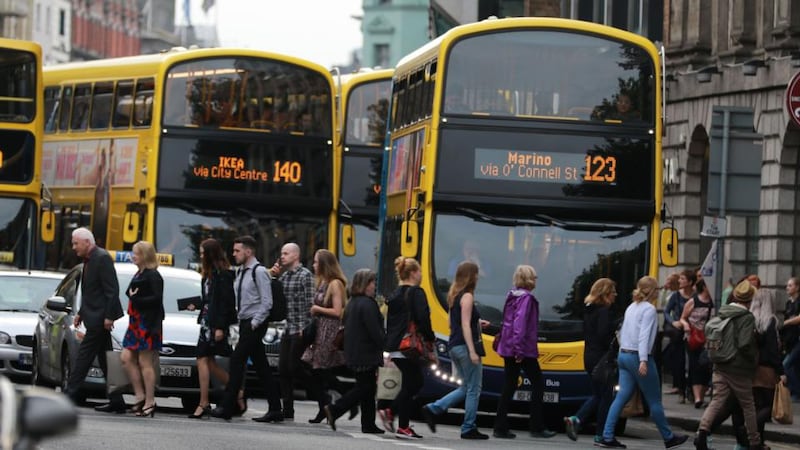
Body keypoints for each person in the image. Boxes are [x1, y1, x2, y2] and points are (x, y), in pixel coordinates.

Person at [598, 276, 689, 449]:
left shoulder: (631, 307)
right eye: (657, 290)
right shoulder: (649, 310)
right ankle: (669, 438)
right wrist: (644, 360)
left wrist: (622, 353)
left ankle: (607, 436)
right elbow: (644, 336)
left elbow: (623, 331)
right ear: (652, 291)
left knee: (620, 398)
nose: (659, 292)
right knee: (654, 399)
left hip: (624, 355)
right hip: (637, 356)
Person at [211, 235, 282, 421]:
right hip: (245, 323)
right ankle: (276, 408)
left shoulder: (258, 272)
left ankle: (227, 407)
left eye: (237, 251)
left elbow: (267, 302)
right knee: (261, 366)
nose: (233, 254)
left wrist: (254, 323)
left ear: (248, 251)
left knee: (237, 361)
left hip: (254, 322)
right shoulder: (241, 271)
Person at [421, 261, 491, 440]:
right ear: (471, 276)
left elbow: (453, 323)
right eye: (476, 274)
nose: (478, 277)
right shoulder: (467, 296)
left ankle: (434, 408)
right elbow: (465, 325)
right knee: (474, 389)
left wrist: (477, 323)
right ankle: (468, 427)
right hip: (465, 347)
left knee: (465, 387)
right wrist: (472, 351)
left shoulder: (454, 296)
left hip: (454, 345)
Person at [694, 280, 763, 450]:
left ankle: (702, 433)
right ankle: (754, 442)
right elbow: (745, 343)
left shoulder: (723, 312)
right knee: (748, 405)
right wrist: (754, 359)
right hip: (739, 367)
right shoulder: (746, 317)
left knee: (717, 401)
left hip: (720, 364)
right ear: (749, 299)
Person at [64, 227, 126, 413]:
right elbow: (92, 292)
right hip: (93, 316)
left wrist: (109, 316)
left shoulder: (102, 258)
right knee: (106, 359)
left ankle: (69, 395)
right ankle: (117, 401)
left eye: (76, 243)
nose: (73, 247)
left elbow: (111, 290)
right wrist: (81, 312)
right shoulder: (89, 260)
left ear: (87, 242)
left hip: (100, 319)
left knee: (83, 357)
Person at [493, 265, 556, 439]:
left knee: (509, 385)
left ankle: (500, 426)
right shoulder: (527, 298)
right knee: (538, 383)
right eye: (534, 277)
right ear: (529, 279)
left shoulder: (511, 295)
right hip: (522, 349)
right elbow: (520, 325)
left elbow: (508, 321)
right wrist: (519, 351)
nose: (536, 280)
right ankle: (536, 426)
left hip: (507, 346)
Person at [324, 269, 385, 434]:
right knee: (364, 388)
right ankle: (335, 409)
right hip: (366, 353)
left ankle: (368, 424)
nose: (374, 286)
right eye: (372, 282)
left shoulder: (352, 302)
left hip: (354, 352)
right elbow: (375, 331)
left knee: (368, 388)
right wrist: (385, 344)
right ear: (365, 284)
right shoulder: (368, 304)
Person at [379, 257, 435, 438]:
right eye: (419, 271)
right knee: (415, 383)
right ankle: (390, 412)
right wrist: (430, 337)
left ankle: (403, 426)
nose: (420, 275)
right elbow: (422, 318)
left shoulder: (394, 294)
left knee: (409, 384)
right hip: (410, 345)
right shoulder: (417, 292)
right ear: (412, 273)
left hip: (395, 346)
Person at [262, 243, 314, 422]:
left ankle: (323, 397)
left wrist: (304, 327)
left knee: (294, 367)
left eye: (285, 253)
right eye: (281, 253)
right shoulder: (284, 277)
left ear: (295, 255)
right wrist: (273, 277)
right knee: (283, 369)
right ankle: (288, 409)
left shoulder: (305, 275)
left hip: (300, 328)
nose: (282, 256)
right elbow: (275, 297)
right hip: (287, 327)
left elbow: (310, 304)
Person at [187, 238, 236, 419]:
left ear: (209, 254)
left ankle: (205, 401)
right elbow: (210, 299)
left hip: (215, 324)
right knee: (208, 362)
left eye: (202, 253)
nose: (200, 256)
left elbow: (225, 303)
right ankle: (235, 391)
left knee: (203, 360)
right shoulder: (208, 274)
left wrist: (221, 327)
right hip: (207, 322)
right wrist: (196, 304)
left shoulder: (223, 274)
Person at [564, 278, 618, 443]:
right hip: (601, 358)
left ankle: (577, 420)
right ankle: (600, 434)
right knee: (606, 397)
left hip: (588, 356)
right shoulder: (603, 312)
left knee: (597, 395)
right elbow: (603, 335)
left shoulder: (589, 310)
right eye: (613, 292)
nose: (615, 295)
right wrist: (615, 330)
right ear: (606, 293)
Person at [302, 249, 348, 424]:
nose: (313, 265)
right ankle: (325, 405)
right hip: (319, 329)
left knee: (319, 369)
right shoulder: (322, 282)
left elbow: (338, 311)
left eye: (316, 262)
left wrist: (317, 309)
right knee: (314, 369)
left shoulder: (335, 284)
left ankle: (343, 395)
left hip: (329, 330)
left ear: (324, 264)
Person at [120, 241, 164, 417]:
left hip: (147, 324)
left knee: (146, 362)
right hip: (135, 323)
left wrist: (136, 299)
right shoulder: (140, 273)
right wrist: (133, 296)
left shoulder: (153, 275)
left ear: (145, 255)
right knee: (126, 357)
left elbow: (156, 299)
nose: (133, 256)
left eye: (136, 253)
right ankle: (140, 395)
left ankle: (149, 401)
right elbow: (130, 292)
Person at [679, 278, 714, 408]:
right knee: (694, 366)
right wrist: (686, 325)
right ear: (704, 287)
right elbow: (682, 318)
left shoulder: (713, 302)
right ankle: (697, 397)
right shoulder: (693, 301)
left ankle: (702, 395)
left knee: (705, 366)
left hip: (707, 338)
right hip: (693, 338)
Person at [664, 269, 696, 402]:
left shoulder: (695, 296)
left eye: (683, 279)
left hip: (692, 330)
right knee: (680, 361)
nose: (679, 281)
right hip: (678, 331)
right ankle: (681, 390)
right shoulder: (676, 295)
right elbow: (666, 311)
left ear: (690, 282)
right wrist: (673, 322)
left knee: (693, 361)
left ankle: (691, 390)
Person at [782, 276, 800, 401]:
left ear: (797, 287)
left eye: (790, 285)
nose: (787, 288)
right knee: (795, 366)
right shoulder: (789, 303)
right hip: (791, 339)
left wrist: (787, 322)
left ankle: (796, 391)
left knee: (786, 364)